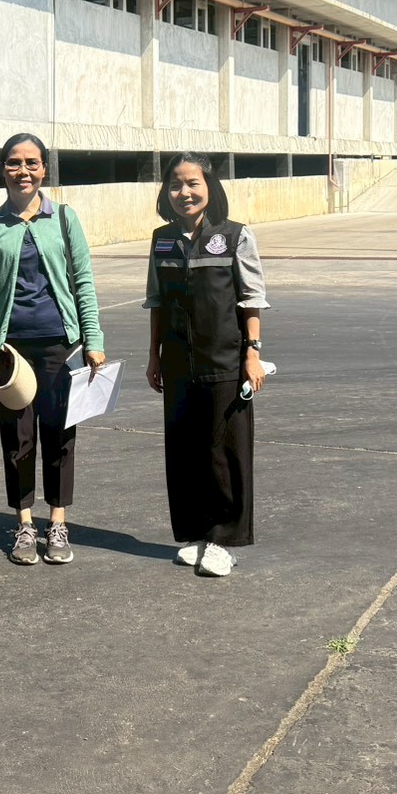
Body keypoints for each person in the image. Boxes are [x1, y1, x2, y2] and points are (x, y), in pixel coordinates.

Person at [0, 133, 105, 565]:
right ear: (3, 170)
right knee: (18, 438)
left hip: (60, 346)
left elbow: (83, 281)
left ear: (44, 168)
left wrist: (93, 340)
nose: (23, 170)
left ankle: (57, 523)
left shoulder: (64, 218)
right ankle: (25, 524)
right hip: (11, 352)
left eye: (32, 162)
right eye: (14, 162)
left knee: (60, 435)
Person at [144, 153, 270, 578]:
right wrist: (154, 355)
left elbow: (251, 298)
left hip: (225, 361)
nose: (184, 192)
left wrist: (252, 352)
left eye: (193, 183)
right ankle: (197, 534)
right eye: (175, 184)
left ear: (210, 187)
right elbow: (156, 303)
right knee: (185, 451)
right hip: (178, 363)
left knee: (224, 451)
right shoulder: (162, 239)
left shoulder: (234, 236)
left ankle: (224, 541)